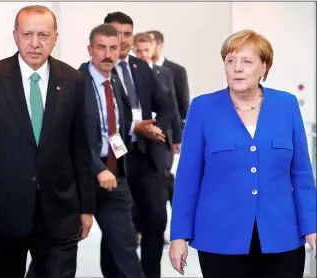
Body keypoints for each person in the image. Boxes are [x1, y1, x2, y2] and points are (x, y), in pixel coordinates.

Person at [0, 5, 95, 278]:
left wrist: (86, 208)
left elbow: (81, 149)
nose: (34, 44)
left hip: (59, 212)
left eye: (43, 35)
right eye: (27, 34)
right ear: (15, 36)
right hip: (2, 212)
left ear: (55, 38)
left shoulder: (73, 80)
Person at [169, 29, 317, 278]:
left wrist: (312, 226)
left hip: (281, 235)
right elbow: (187, 178)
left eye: (246, 61)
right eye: (230, 61)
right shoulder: (203, 108)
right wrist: (179, 235)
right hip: (220, 237)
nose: (237, 68)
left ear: (264, 67)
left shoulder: (286, 105)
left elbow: (301, 173)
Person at [79, 23, 165, 278]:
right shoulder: (74, 82)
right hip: (80, 179)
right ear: (90, 50)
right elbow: (72, 136)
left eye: (113, 48)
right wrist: (98, 168)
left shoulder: (115, 81)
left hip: (116, 177)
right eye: (101, 48)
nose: (108, 54)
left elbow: (115, 127)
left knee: (126, 247)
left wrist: (138, 128)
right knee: (56, 251)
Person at [102, 12, 174, 278]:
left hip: (147, 157)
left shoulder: (140, 67)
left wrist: (155, 127)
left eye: (127, 33)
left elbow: (166, 106)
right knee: (120, 227)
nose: (122, 39)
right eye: (116, 33)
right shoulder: (94, 71)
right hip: (114, 161)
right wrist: (135, 126)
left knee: (156, 220)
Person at [133, 32, 182, 245]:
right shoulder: (129, 74)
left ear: (154, 50)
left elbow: (174, 106)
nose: (143, 54)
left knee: (161, 186)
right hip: (137, 140)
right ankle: (138, 228)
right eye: (139, 50)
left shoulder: (166, 73)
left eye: (146, 50)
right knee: (139, 190)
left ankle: (156, 228)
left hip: (162, 140)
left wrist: (177, 138)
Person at [146, 30, 190, 130]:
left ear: (159, 45)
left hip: (170, 131)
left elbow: (183, 104)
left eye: (150, 43)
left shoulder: (176, 70)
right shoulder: (140, 70)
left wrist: (179, 136)